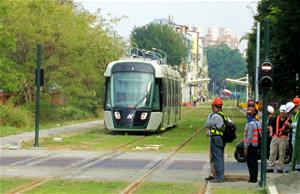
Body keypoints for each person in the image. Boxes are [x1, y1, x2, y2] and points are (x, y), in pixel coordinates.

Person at [204, 98, 225, 183]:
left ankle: (219, 177)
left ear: (214, 107)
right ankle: (216, 175)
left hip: (216, 138)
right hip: (220, 138)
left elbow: (206, 124)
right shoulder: (222, 115)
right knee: (218, 157)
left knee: (217, 158)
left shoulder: (216, 116)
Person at [267, 105, 292, 173]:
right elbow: (271, 126)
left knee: (282, 153)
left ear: (286, 113)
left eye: (284, 113)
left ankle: (280, 167)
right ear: (280, 112)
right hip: (275, 137)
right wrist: (271, 132)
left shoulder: (289, 120)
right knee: (272, 152)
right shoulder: (275, 118)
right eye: (281, 113)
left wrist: (286, 128)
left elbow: (290, 130)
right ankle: (270, 166)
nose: (283, 114)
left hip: (283, 138)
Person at [243, 107, 261, 183]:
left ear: (250, 115)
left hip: (251, 146)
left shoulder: (250, 124)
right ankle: (254, 178)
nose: (246, 116)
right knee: (255, 163)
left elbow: (249, 137)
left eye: (247, 114)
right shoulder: (258, 123)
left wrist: (245, 147)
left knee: (250, 163)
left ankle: (252, 179)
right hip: (256, 146)